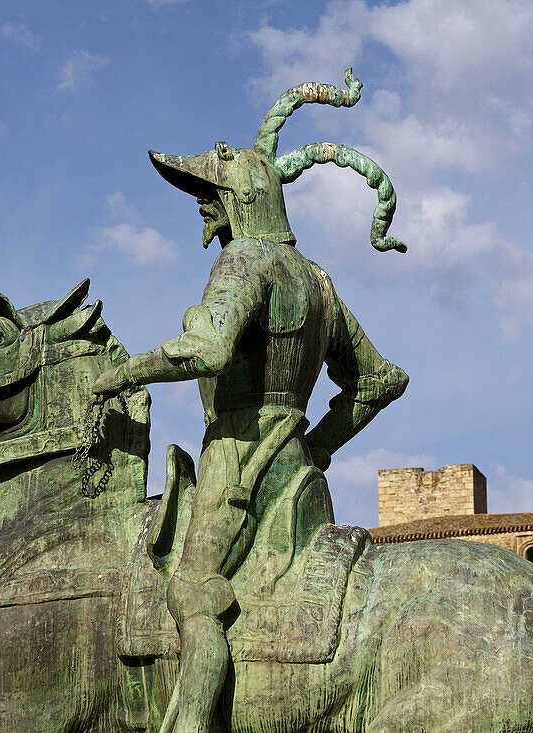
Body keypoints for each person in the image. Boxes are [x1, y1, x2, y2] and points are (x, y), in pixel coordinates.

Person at [93, 71, 408, 733]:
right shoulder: (317, 281)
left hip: (237, 464)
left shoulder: (243, 263)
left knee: (191, 593)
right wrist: (315, 444)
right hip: (296, 471)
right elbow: (378, 381)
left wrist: (118, 376)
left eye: (207, 196)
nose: (202, 209)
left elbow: (204, 350)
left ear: (237, 197)